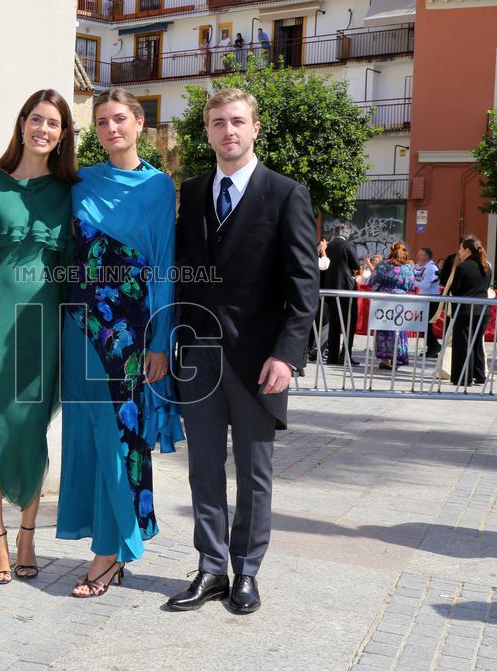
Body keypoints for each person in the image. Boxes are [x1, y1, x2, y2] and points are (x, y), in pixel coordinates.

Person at [171, 88, 318, 614]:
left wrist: (286, 353)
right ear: (207, 132)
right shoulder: (190, 191)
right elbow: (185, 275)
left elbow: (304, 286)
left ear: (255, 128)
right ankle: (211, 568)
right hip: (199, 358)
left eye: (237, 121)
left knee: (255, 474)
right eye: (217, 122)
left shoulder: (285, 194)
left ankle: (246, 572)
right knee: (204, 469)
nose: (227, 131)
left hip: (260, 361)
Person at [0, 90, 79, 585]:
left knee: (31, 426)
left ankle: (28, 532)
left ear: (63, 134)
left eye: (54, 124)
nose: (43, 130)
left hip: (42, 322)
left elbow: (74, 266)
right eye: (36, 120)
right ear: (22, 123)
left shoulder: (70, 191)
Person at [56, 87, 180, 599]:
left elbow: (166, 265)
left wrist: (160, 341)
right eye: (102, 121)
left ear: (139, 124)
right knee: (85, 438)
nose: (111, 128)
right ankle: (102, 544)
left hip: (128, 334)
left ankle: (111, 552)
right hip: (78, 327)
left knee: (117, 439)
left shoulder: (158, 188)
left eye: (120, 119)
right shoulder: (80, 181)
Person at [449, 235, 492, 386]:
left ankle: (463, 377)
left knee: (463, 343)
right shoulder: (486, 266)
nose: (459, 252)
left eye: (460, 249)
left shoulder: (463, 266)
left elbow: (455, 289)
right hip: (483, 310)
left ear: (467, 250)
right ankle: (479, 375)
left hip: (465, 310)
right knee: (476, 342)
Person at [369, 242, 417, 369]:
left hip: (384, 300)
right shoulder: (408, 268)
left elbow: (372, 281)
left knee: (383, 328)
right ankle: (397, 358)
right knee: (399, 329)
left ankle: (385, 360)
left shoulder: (383, 265)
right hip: (401, 301)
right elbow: (412, 285)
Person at [322, 224, 361, 365]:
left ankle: (332, 356)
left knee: (334, 324)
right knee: (349, 323)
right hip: (346, 289)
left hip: (330, 289)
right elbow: (356, 264)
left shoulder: (328, 246)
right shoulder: (348, 245)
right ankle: (345, 355)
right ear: (346, 233)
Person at [415, 247, 441, 356]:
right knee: (424, 325)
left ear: (426, 257)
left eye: (420, 254)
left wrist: (413, 282)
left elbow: (425, 285)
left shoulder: (431, 268)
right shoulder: (424, 267)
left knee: (424, 325)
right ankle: (432, 348)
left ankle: (434, 347)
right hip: (425, 299)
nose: (417, 256)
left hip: (431, 299)